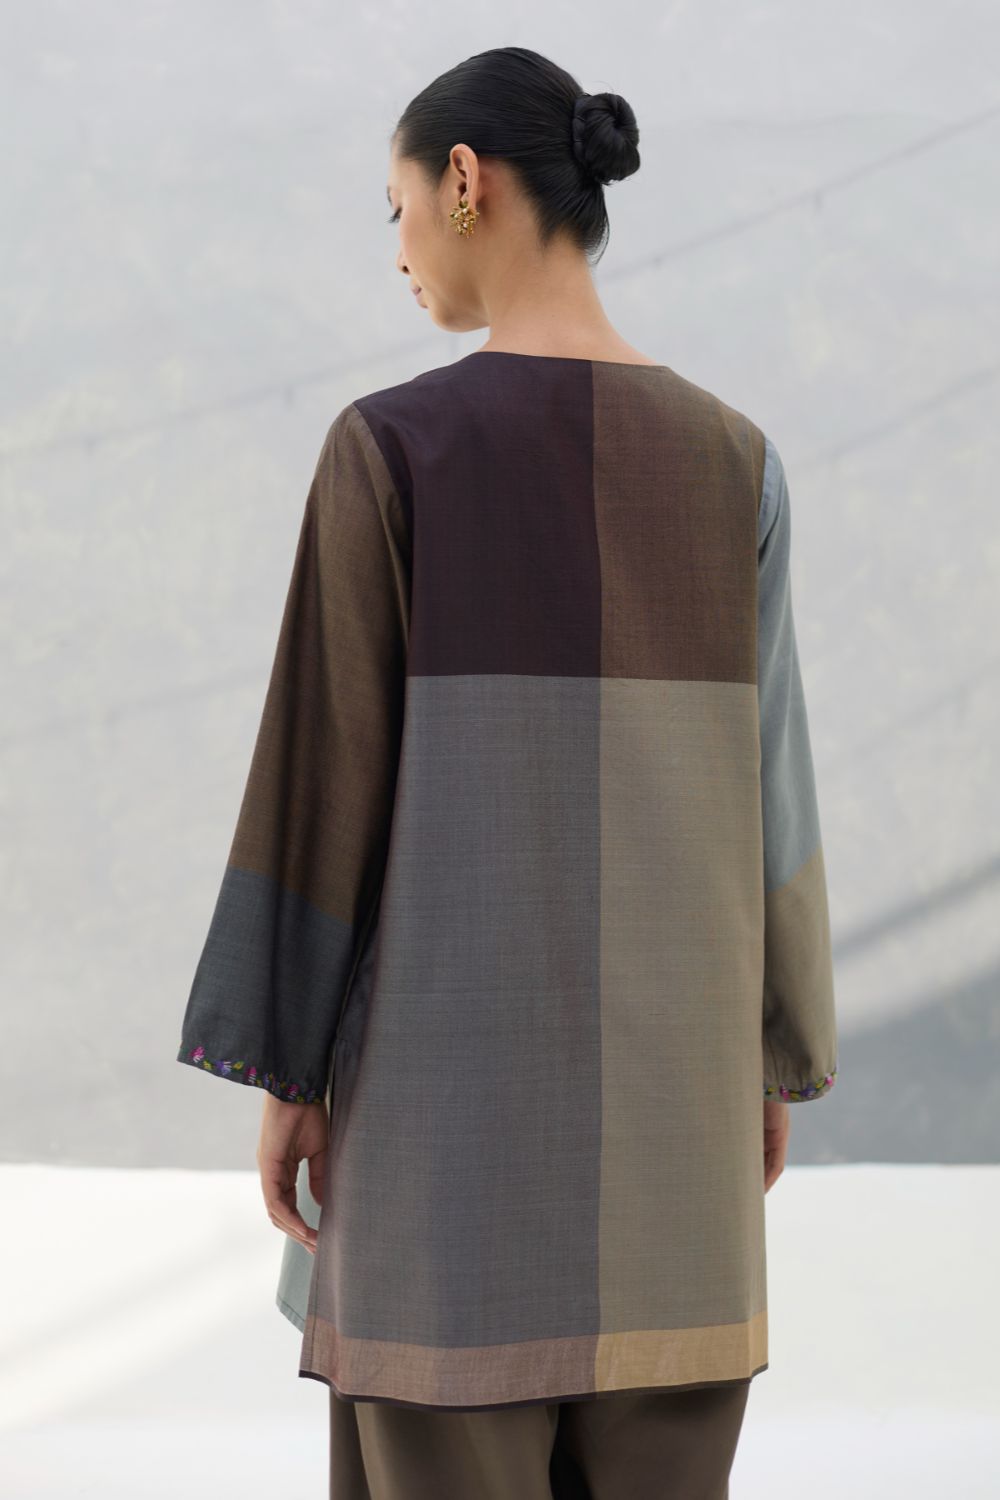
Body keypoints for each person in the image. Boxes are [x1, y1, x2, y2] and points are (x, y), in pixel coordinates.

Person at [175, 44, 838, 1500]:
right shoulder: (740, 462)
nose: (400, 247)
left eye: (398, 206)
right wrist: (772, 1053)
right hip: (679, 1145)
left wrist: (286, 1065)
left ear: (464, 183)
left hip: (444, 1162)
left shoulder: (391, 452)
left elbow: (320, 782)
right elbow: (775, 789)